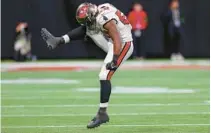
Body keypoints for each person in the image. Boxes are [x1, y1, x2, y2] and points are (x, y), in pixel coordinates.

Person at [41, 3, 133, 128]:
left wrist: (115, 59)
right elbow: (88, 29)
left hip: (123, 44)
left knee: (104, 75)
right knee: (90, 30)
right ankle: (59, 40)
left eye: (87, 21)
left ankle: (102, 114)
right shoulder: (97, 13)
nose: (87, 24)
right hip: (113, 41)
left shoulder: (104, 19)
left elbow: (117, 38)